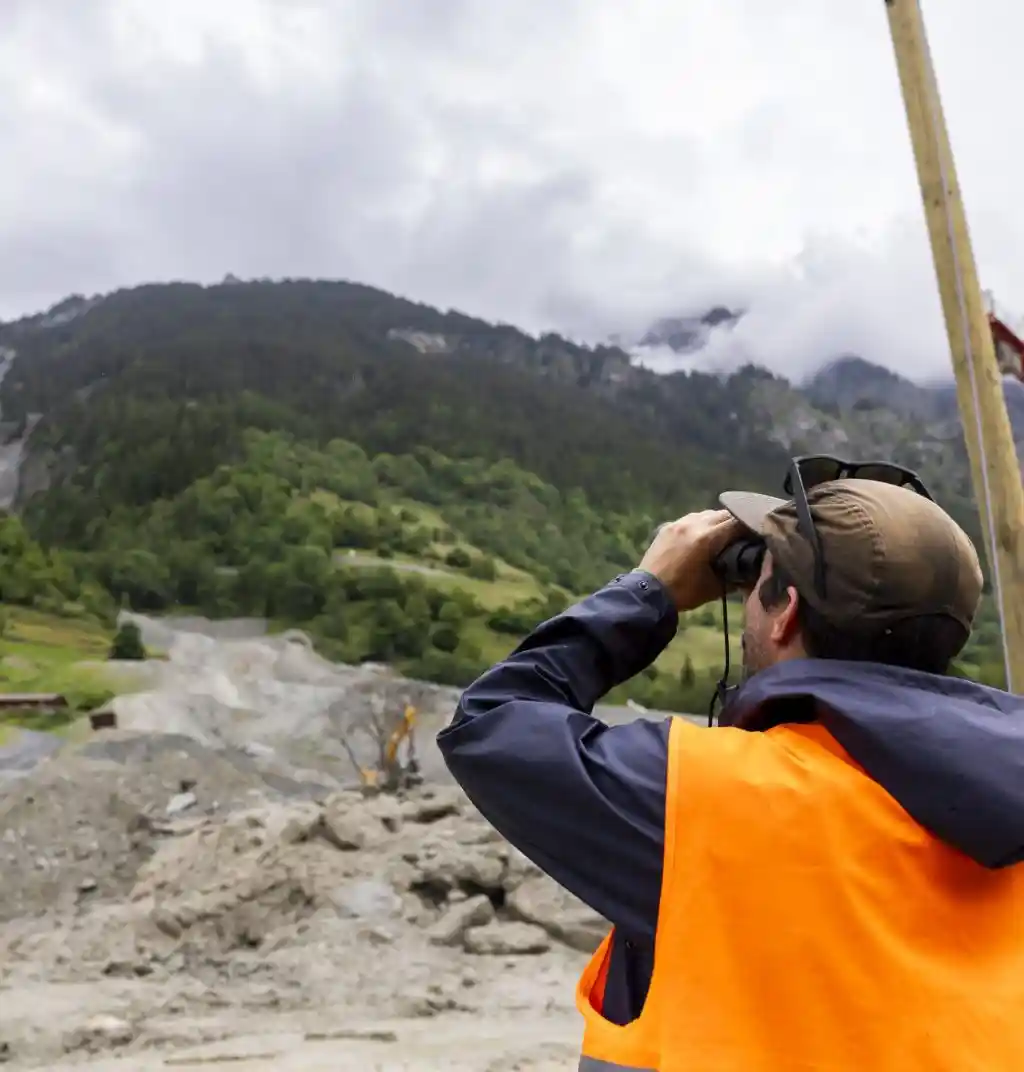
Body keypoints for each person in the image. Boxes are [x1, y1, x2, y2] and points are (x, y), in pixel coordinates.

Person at [437, 462, 1024, 1070]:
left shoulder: (711, 798)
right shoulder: (1009, 806)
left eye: (755, 582)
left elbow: (492, 722)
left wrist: (649, 591)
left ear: (785, 612)